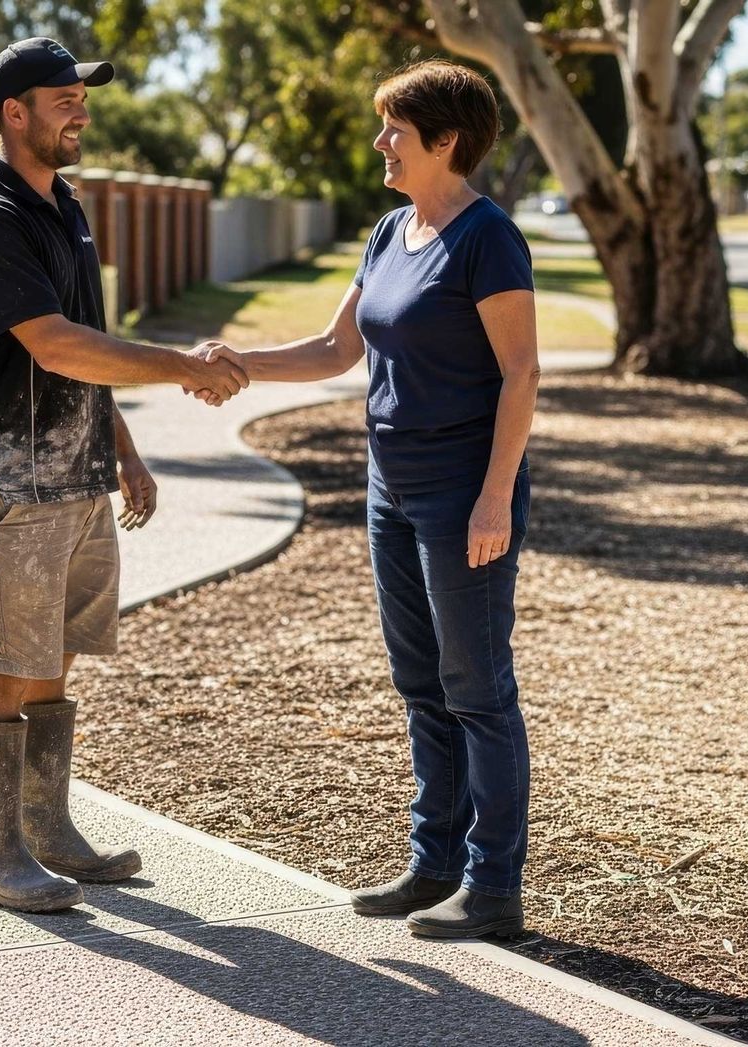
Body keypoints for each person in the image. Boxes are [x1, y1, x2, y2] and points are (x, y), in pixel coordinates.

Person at [224, 60, 538, 938]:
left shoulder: (488, 238)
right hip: (389, 489)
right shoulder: (390, 229)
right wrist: (239, 364)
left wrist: (494, 499)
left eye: (395, 129)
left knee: (477, 686)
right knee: (420, 682)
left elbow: (521, 374)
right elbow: (334, 349)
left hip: (461, 490)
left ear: (446, 141)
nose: (380, 143)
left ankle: (495, 887)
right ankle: (433, 863)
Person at [0, 37, 249, 913]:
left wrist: (123, 447)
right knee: (8, 664)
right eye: (62, 96)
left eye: (82, 94)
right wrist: (184, 366)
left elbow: (86, 350)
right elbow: (53, 342)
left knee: (55, 659)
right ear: (14, 112)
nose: (80, 107)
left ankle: (46, 833)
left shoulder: (63, 204)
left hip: (75, 479)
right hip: (9, 485)